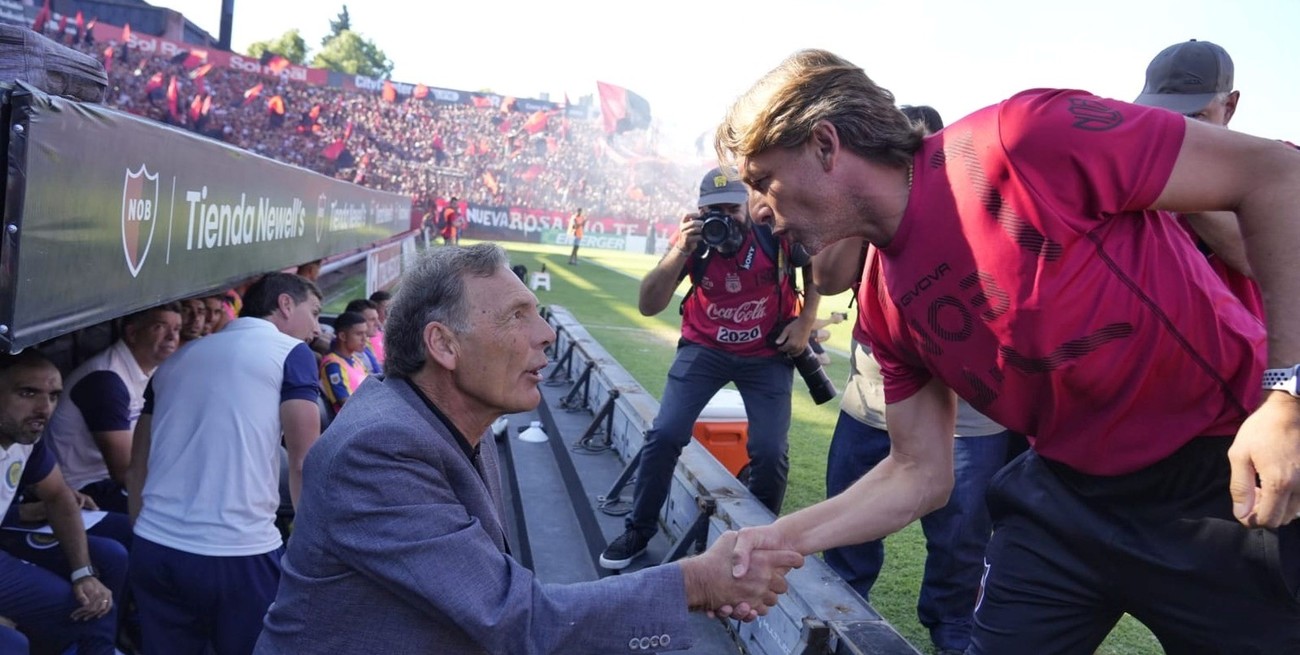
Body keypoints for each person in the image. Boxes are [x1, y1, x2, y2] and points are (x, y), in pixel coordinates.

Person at [718, 49, 1300, 653]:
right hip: (1066, 497)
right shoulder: (884, 293)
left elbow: (1277, 175)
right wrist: (776, 539)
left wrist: (1287, 395)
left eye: (763, 180)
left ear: (825, 145)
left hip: (1222, 476)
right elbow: (918, 473)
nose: (758, 208)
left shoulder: (1022, 138)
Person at [254, 244, 803, 654]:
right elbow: (516, 618)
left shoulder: (445, 419)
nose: (546, 334)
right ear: (444, 345)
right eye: (519, 315)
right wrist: (697, 580)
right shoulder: (380, 449)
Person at [811, 105, 1010, 655]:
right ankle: (839, 631)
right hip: (871, 405)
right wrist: (857, 212)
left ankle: (952, 638)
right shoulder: (861, 203)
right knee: (848, 541)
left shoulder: (964, 203)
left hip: (969, 420)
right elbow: (828, 278)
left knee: (959, 553)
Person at [598, 167, 821, 571]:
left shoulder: (772, 228)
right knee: (665, 433)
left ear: (749, 204)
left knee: (769, 451)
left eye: (732, 210)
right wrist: (681, 249)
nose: (724, 218)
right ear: (700, 211)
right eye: (712, 210)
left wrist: (805, 321)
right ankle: (639, 529)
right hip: (704, 347)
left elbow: (815, 266)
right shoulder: (696, 241)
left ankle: (757, 541)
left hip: (765, 352)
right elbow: (648, 304)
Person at [127, 272, 323, 655]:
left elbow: (137, 466)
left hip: (154, 546)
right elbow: (304, 461)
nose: (317, 327)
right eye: (314, 312)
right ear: (285, 304)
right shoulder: (291, 353)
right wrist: (312, 548)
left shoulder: (175, 360)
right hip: (236, 551)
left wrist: (143, 532)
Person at [0, 351, 120, 655]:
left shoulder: (27, 440)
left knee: (92, 604)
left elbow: (57, 495)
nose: (44, 409)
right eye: (27, 393)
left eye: (53, 396)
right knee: (12, 644)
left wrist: (83, 573)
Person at [1133, 39, 1262, 317]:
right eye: (1164, 115)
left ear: (1229, 107)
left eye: (1194, 115)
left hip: (1252, 355)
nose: (1178, 128)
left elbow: (1261, 261)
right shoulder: (1140, 173)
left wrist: (1175, 182)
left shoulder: (1274, 166)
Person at [45, 303, 181, 513]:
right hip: (84, 488)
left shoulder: (154, 371)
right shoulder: (106, 380)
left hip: (112, 480)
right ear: (133, 333)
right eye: (160, 327)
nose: (172, 337)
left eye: (177, 329)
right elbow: (125, 472)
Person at [319, 311, 370, 414]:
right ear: (343, 336)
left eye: (366, 333)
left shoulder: (356, 360)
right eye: (359, 334)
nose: (365, 339)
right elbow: (345, 402)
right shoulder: (333, 365)